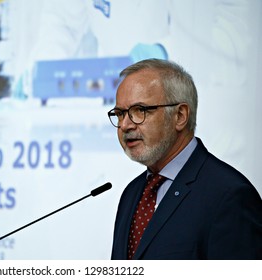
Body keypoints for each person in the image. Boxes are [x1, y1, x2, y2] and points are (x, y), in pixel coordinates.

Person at [109, 58, 262, 260]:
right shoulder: (132, 193)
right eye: (120, 114)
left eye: (140, 111)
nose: (125, 125)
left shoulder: (229, 195)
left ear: (180, 116)